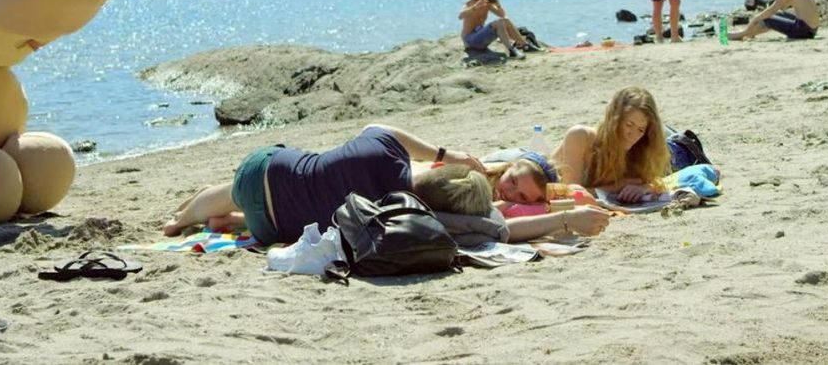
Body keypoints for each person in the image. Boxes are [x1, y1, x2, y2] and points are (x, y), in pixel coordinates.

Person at [162, 124, 610, 244]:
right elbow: (504, 230)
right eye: (513, 184)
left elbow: (385, 127)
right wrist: (567, 217)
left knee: (237, 185)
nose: (510, 195)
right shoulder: (418, 214)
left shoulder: (384, 148)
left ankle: (184, 218)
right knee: (284, 209)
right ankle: (232, 222)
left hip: (268, 172)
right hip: (274, 231)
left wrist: (443, 154)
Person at [550, 87, 672, 203]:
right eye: (629, 125)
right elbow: (570, 193)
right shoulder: (581, 136)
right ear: (614, 120)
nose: (633, 135)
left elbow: (656, 182)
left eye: (641, 130)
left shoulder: (639, 148)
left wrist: (644, 188)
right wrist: (618, 186)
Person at [459, 0, 526, 58]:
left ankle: (524, 45)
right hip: (470, 40)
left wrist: (498, 4)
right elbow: (460, 16)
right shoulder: (471, 1)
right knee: (497, 23)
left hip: (481, 38)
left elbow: (502, 15)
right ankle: (512, 50)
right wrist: (476, 6)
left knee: (505, 21)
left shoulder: (487, 3)